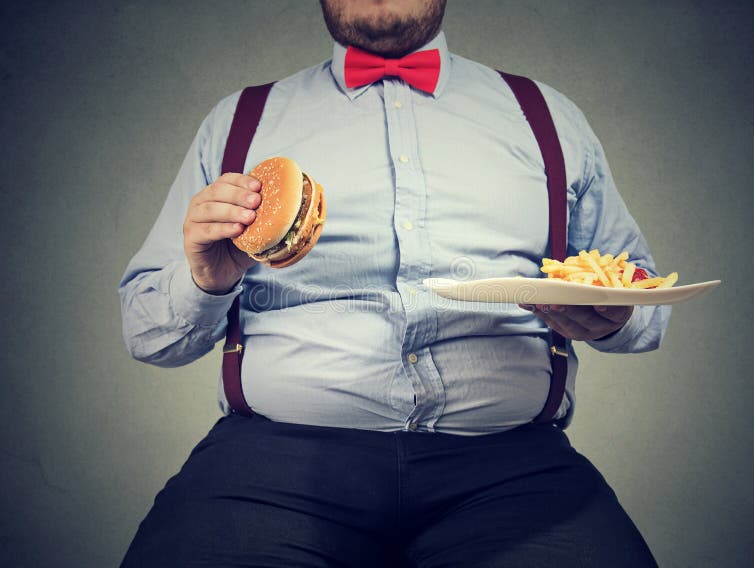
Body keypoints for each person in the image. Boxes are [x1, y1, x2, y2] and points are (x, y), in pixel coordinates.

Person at [119, 1, 669, 565]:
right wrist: (205, 282)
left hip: (512, 469)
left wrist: (617, 313)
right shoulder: (238, 121)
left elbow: (646, 305)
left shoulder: (548, 117)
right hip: (272, 465)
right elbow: (148, 336)